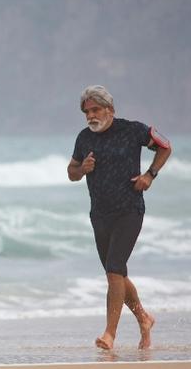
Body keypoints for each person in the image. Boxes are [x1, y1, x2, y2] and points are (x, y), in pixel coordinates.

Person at [66, 85, 171, 350]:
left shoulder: (133, 130)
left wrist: (150, 175)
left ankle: (109, 335)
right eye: (87, 111)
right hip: (99, 214)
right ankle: (144, 319)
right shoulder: (84, 138)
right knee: (118, 275)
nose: (91, 115)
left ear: (110, 110)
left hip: (129, 210)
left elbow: (165, 146)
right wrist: (82, 168)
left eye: (96, 109)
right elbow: (71, 172)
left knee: (114, 269)